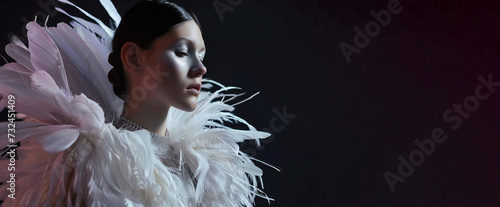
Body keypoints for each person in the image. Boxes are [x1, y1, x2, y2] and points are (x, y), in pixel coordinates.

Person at [0, 0, 274, 206]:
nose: (200, 68)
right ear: (133, 58)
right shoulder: (84, 161)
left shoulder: (207, 165)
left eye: (201, 55)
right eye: (182, 52)